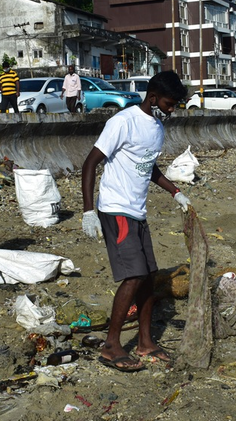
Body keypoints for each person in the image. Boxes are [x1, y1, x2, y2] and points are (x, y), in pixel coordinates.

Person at [81, 71, 190, 372]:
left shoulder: (156, 128)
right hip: (116, 209)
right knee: (134, 276)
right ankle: (111, 346)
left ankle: (145, 342)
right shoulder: (122, 122)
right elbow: (90, 162)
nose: (171, 110)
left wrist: (175, 191)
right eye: (169, 104)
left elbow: (147, 165)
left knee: (149, 276)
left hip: (137, 210)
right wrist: (89, 210)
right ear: (153, 98)